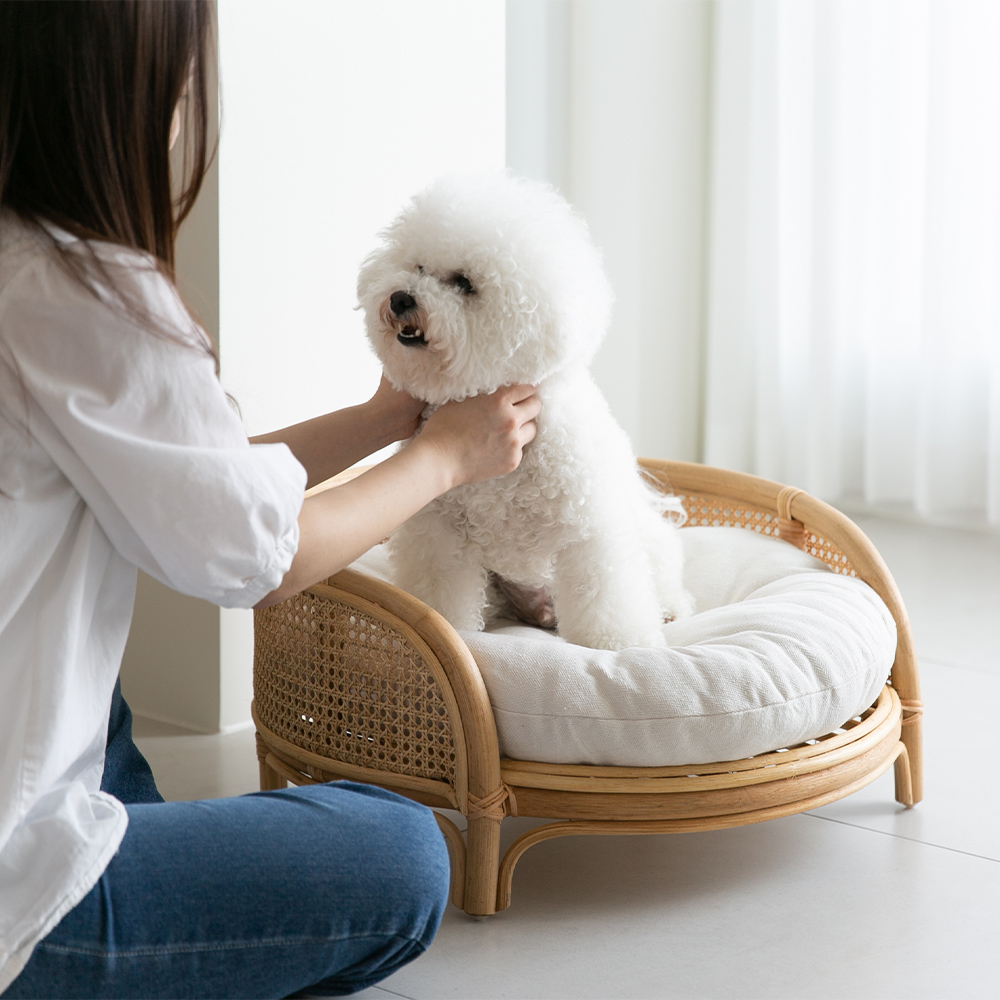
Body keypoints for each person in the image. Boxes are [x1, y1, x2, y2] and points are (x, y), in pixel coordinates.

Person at [0, 2, 539, 997]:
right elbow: (266, 557)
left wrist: (383, 421)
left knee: (102, 705)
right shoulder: (82, 287)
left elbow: (195, 483)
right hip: (15, 890)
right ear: (121, 79)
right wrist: (446, 458)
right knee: (401, 853)